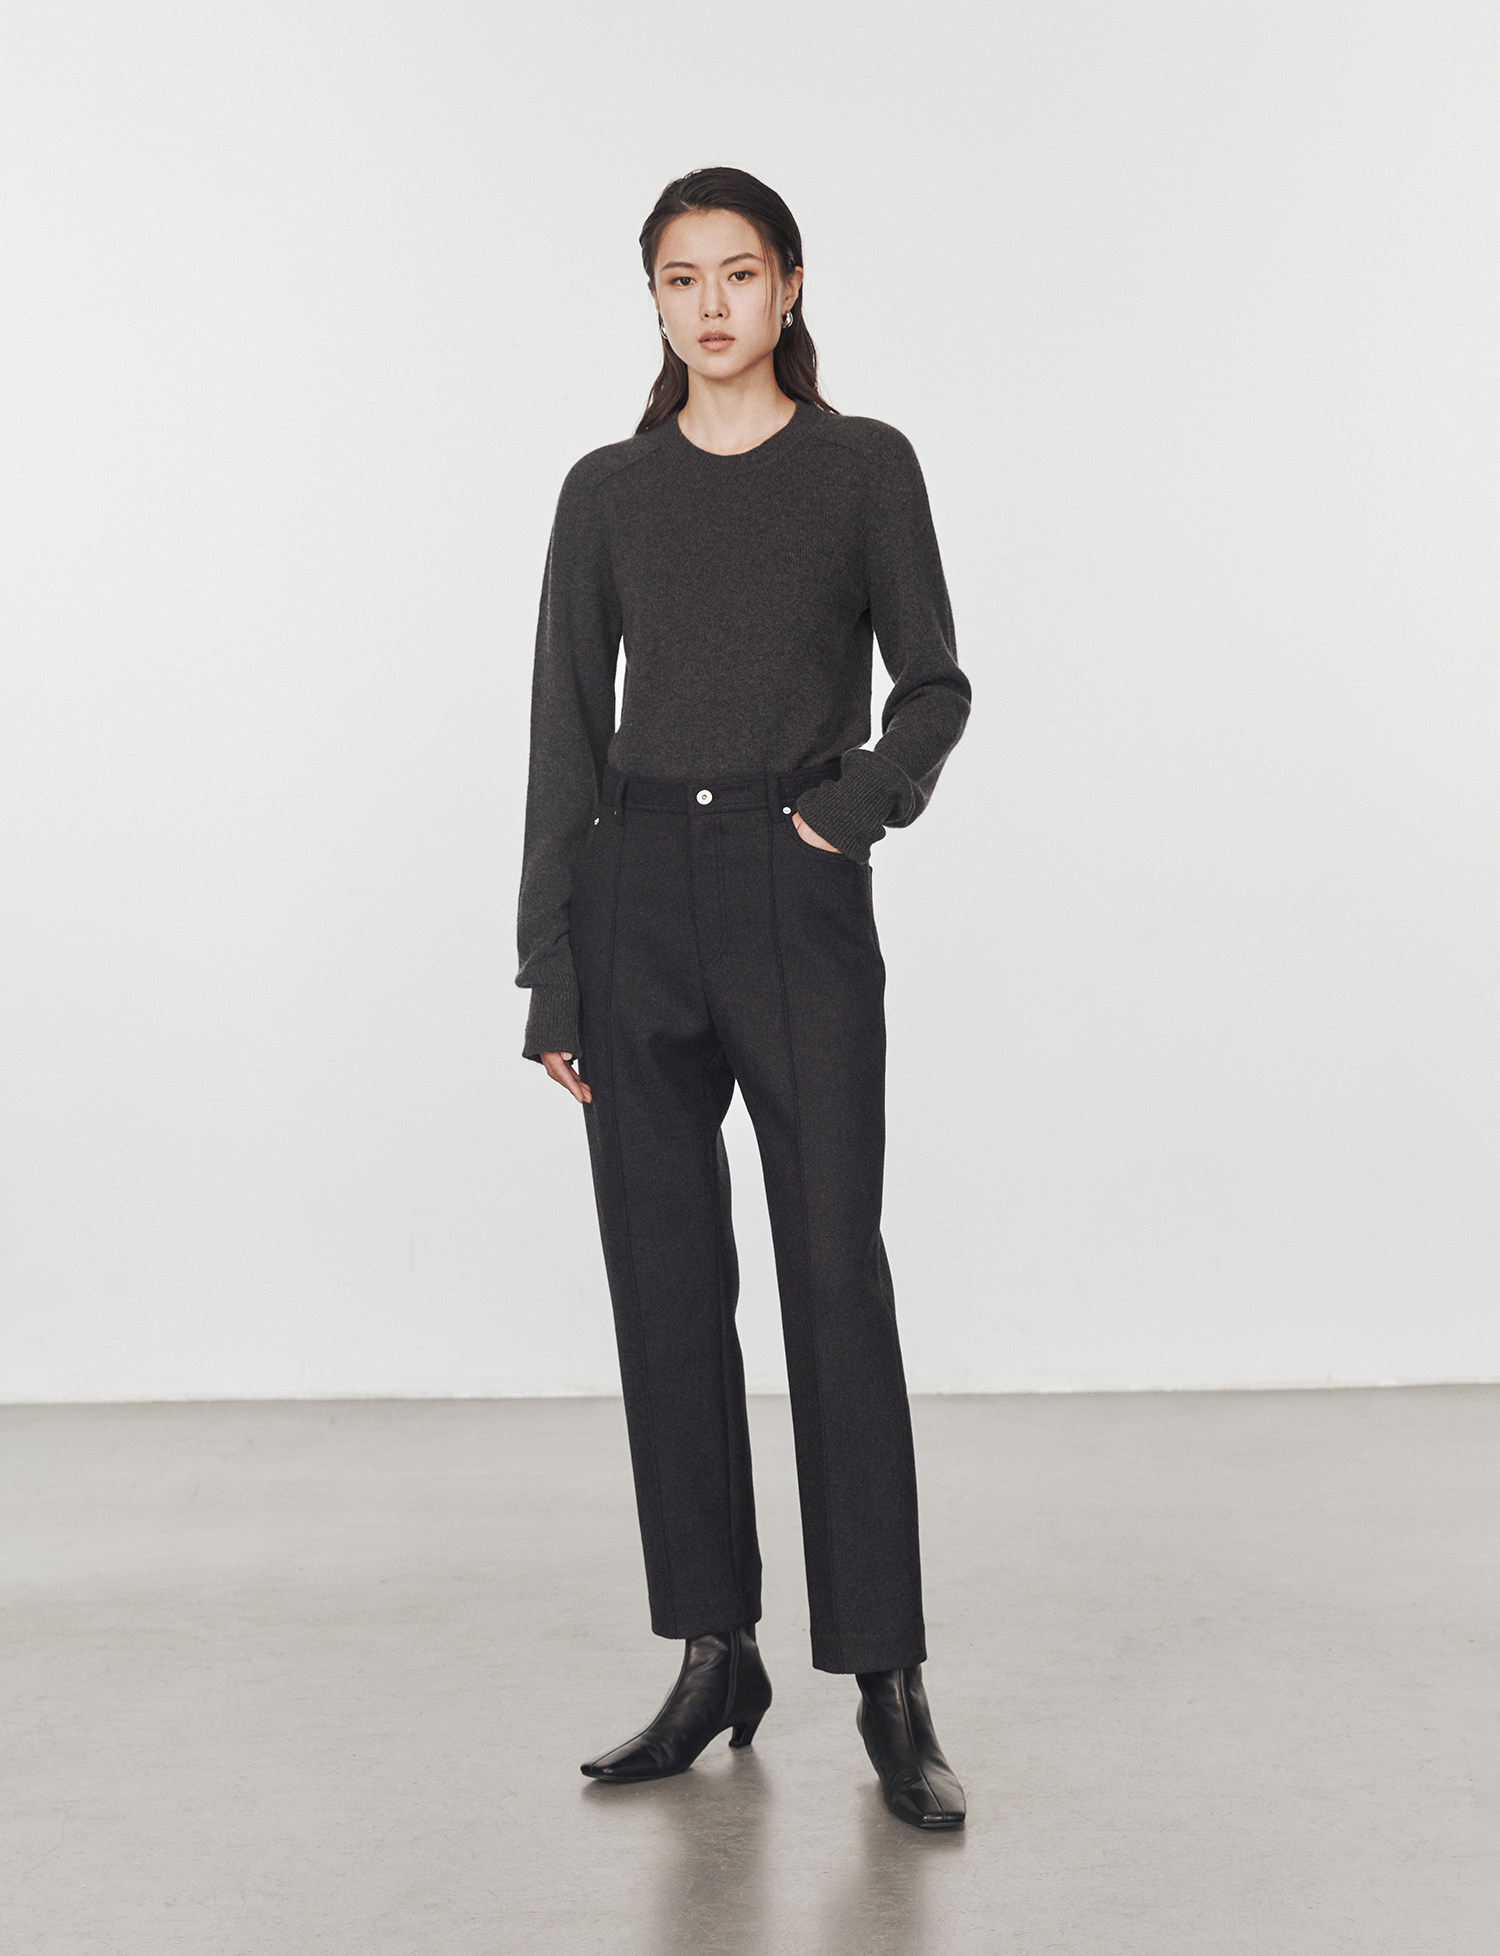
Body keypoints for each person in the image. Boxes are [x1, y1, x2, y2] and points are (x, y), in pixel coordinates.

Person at [514, 166, 972, 1830]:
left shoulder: (863, 467)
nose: (710, 305)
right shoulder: (606, 492)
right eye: (679, 278)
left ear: (788, 288)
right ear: (653, 299)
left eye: (738, 273)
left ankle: (889, 1680)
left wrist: (847, 812)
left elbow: (934, 685)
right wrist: (552, 963)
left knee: (832, 1274)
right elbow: (566, 728)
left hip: (793, 895)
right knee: (664, 1286)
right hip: (634, 898)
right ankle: (716, 1652)